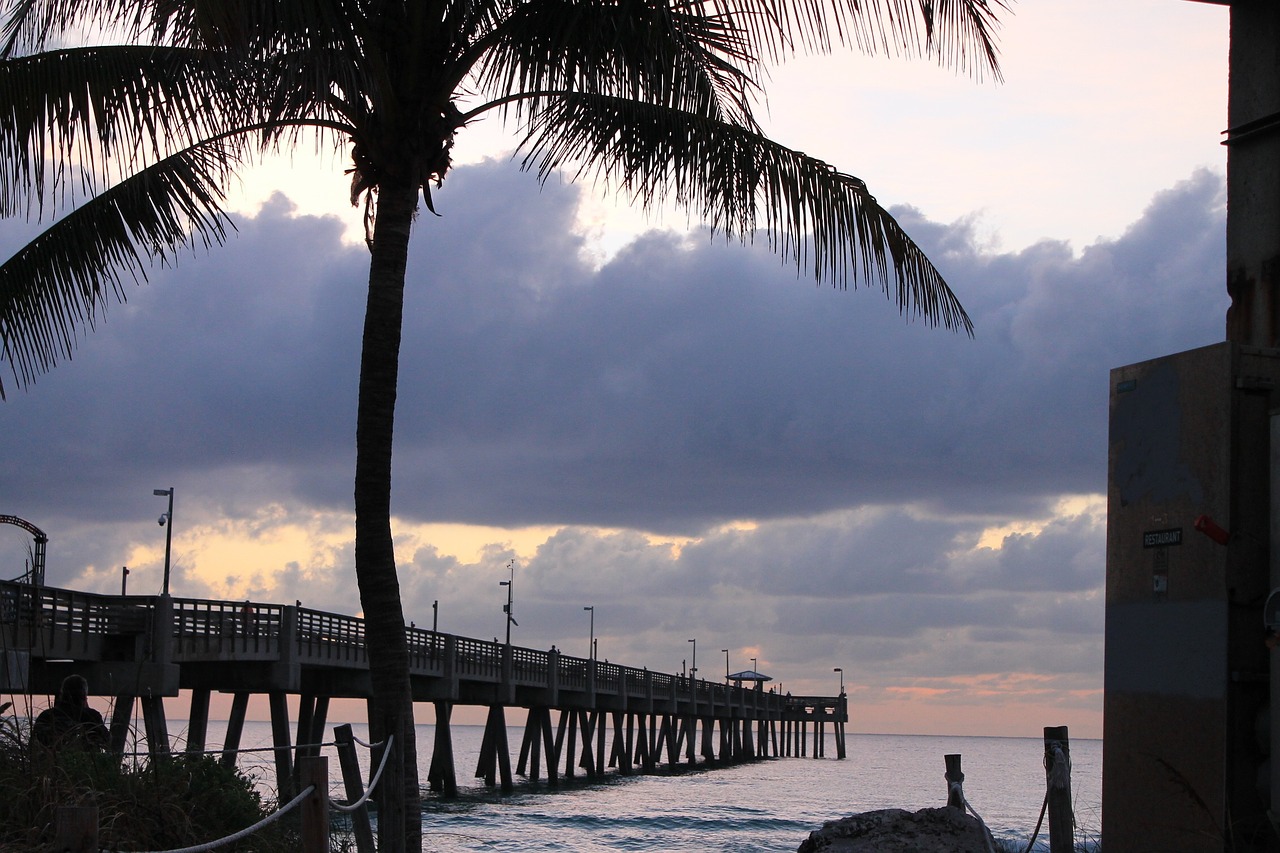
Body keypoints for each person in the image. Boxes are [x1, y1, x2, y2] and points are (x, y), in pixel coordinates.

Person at [33, 674, 109, 751]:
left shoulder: (46, 715)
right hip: (83, 761)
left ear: (62, 694)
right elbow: (107, 742)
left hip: (51, 760)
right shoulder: (91, 716)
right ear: (84, 695)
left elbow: (33, 745)